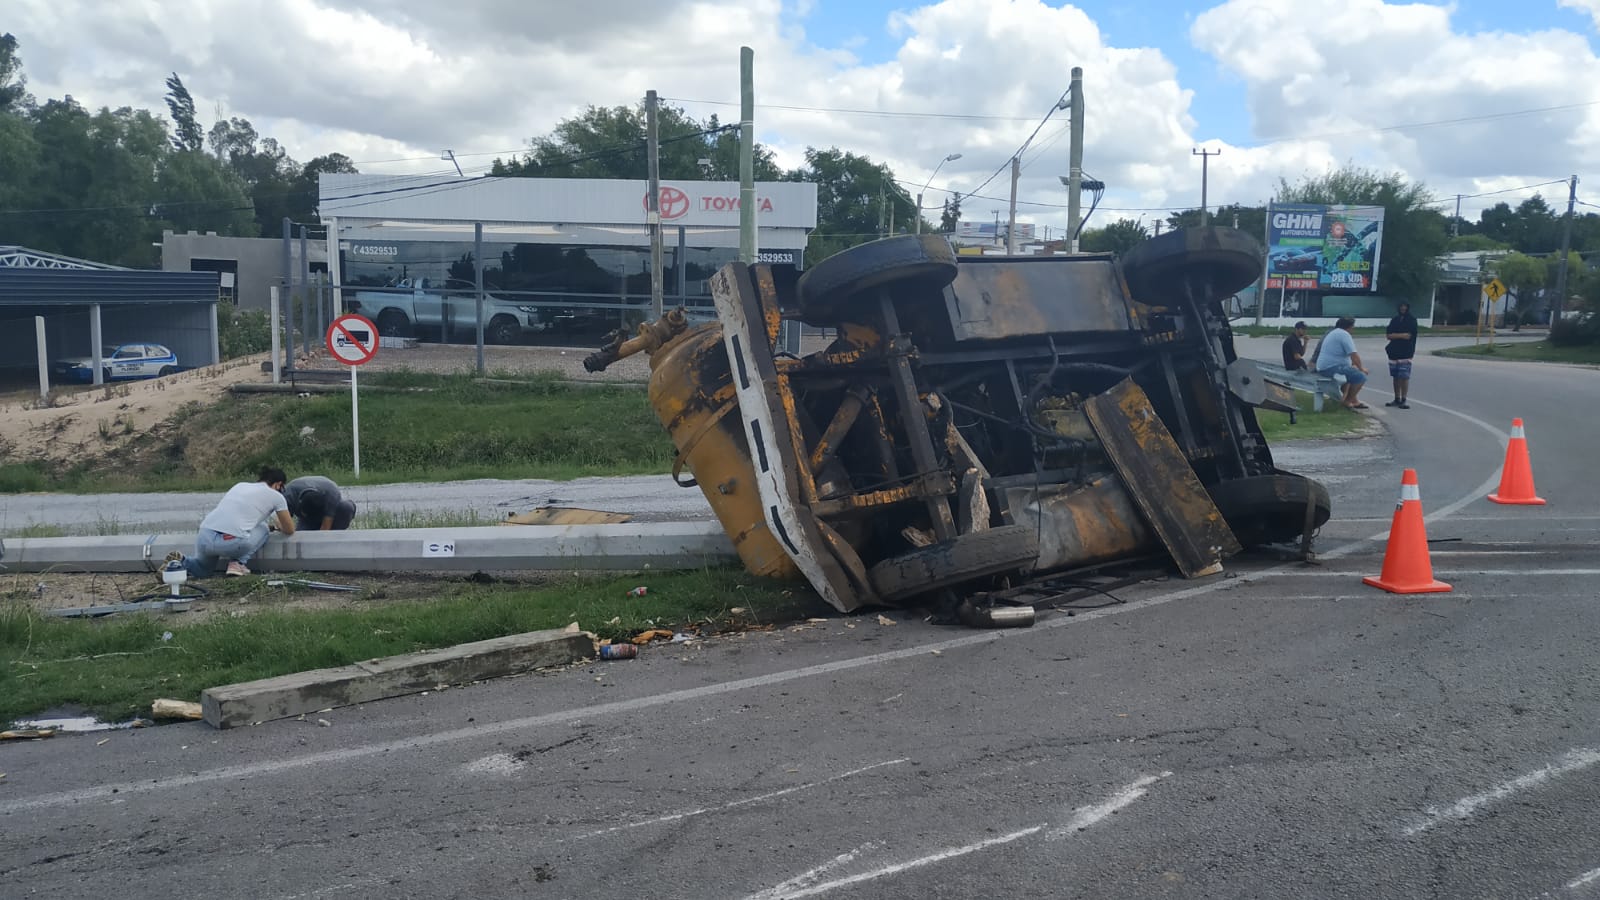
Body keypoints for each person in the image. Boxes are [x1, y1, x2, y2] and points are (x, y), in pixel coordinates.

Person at [184, 467, 295, 577]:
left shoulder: (240, 486)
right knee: (264, 528)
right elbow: (289, 529)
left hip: (204, 536)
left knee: (203, 571)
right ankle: (238, 564)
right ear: (278, 484)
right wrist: (278, 527)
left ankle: (179, 563)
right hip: (231, 543)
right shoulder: (277, 497)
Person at [1316, 316, 1370, 410]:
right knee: (1360, 377)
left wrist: (1353, 365)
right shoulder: (1344, 334)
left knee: (1351, 373)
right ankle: (1347, 402)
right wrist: (1361, 368)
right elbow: (1353, 354)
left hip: (1324, 366)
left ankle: (1354, 401)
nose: (1353, 329)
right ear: (1349, 327)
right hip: (1330, 367)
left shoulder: (1334, 332)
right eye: (1353, 327)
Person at [283, 475, 357, 531]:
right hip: (306, 522)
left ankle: (337, 535)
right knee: (302, 539)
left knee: (346, 507)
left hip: (330, 515)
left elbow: (324, 530)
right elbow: (282, 520)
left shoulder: (331, 494)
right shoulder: (289, 494)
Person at [1384, 302, 1419, 409]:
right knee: (1395, 376)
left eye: (1405, 306)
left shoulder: (1412, 320)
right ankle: (1396, 398)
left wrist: (1397, 335)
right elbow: (1389, 335)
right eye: (1401, 306)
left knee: (1404, 376)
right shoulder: (1394, 320)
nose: (1403, 308)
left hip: (1406, 351)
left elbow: (1410, 336)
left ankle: (1404, 399)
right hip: (1394, 352)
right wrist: (1401, 335)